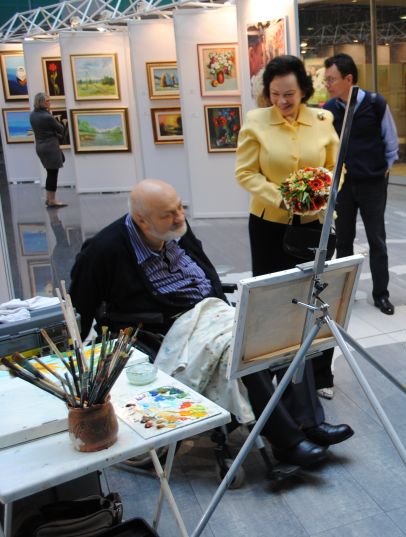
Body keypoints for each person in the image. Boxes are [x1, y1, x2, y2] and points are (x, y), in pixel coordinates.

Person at [70, 179, 353, 468]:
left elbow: (205, 270)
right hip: (171, 325)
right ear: (142, 220)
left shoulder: (174, 229)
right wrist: (75, 357)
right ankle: (287, 442)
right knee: (240, 347)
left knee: (281, 330)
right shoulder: (104, 249)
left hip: (212, 310)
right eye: (168, 214)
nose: (179, 217)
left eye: (180, 207)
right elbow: (80, 306)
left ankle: (308, 422)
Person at [234, 56, 347, 403]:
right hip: (269, 226)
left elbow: (336, 167)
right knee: (272, 300)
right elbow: (245, 173)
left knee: (319, 297)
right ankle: (270, 374)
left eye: (290, 94)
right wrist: (284, 198)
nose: (282, 101)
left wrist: (323, 191)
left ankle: (320, 374)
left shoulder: (323, 120)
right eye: (275, 94)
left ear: (304, 91)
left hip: (316, 225)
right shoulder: (256, 121)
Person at [323, 52, 399, 319]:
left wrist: (380, 172)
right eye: (326, 79)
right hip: (343, 186)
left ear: (349, 79)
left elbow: (391, 143)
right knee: (343, 241)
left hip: (372, 184)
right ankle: (345, 294)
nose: (327, 84)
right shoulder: (328, 110)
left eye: (331, 79)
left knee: (377, 239)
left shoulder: (376, 104)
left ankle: (381, 295)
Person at [30, 92, 67, 208]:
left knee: (50, 172)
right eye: (47, 101)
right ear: (41, 102)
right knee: (53, 174)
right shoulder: (47, 116)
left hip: (40, 147)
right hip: (50, 147)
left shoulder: (32, 115)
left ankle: (49, 198)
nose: (49, 103)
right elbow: (61, 128)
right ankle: (52, 200)